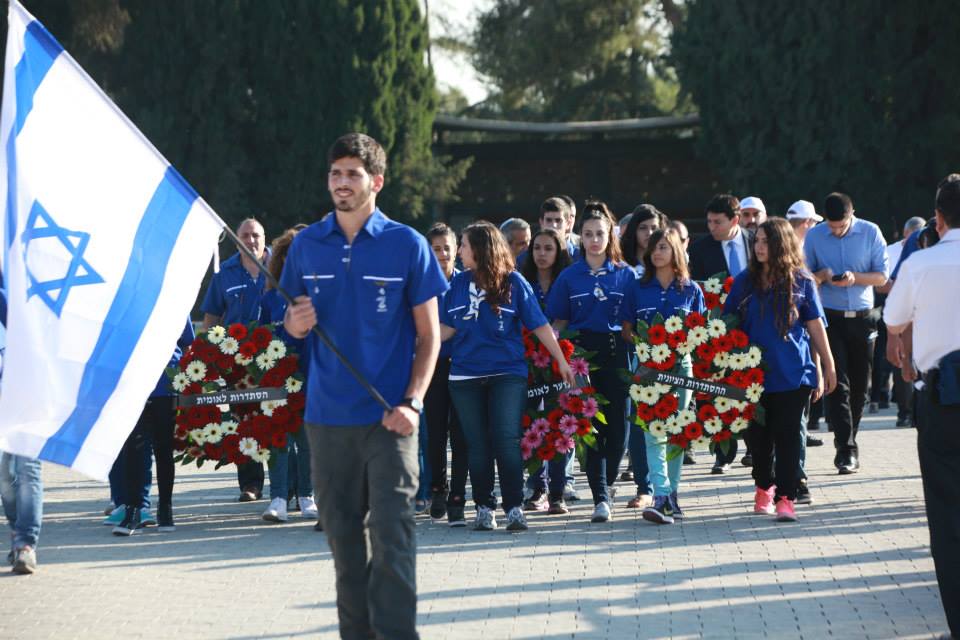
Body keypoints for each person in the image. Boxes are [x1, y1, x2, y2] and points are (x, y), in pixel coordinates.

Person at [282, 133, 448, 639]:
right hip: (327, 419)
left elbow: (429, 336)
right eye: (335, 173)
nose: (341, 182)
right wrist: (294, 324)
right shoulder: (307, 245)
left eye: (352, 174)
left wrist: (413, 403)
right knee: (345, 550)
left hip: (390, 419)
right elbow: (286, 329)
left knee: (394, 538)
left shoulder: (407, 244)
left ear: (375, 181)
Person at [441, 221, 575, 532]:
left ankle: (514, 506)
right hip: (465, 376)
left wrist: (561, 360)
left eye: (463, 245)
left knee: (506, 439)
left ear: (480, 248)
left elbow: (539, 324)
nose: (460, 251)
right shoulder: (458, 284)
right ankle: (484, 508)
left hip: (507, 373)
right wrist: (413, 341)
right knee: (477, 444)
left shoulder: (513, 282)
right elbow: (446, 328)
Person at [884, 173, 960, 639]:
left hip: (944, 396)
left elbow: (893, 320)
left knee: (947, 512)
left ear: (938, 217)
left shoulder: (923, 262)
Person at [725, 219, 837, 522]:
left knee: (789, 438)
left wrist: (827, 364)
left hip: (793, 374)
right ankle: (764, 486)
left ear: (782, 244)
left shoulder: (801, 280)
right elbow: (726, 324)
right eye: (757, 241)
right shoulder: (744, 281)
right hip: (751, 377)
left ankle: (787, 497)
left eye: (766, 242)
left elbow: (815, 325)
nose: (760, 247)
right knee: (759, 441)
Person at [546, 202, 638, 523]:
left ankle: (607, 484)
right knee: (591, 427)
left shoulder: (625, 275)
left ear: (610, 234)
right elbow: (557, 321)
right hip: (584, 356)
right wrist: (556, 354)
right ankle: (600, 497)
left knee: (619, 432)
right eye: (588, 234)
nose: (594, 239)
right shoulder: (569, 276)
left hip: (619, 354)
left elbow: (634, 322)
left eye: (600, 233)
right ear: (580, 237)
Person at [620, 228, 706, 523]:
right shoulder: (636, 286)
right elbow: (627, 329)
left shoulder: (691, 289)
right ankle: (661, 495)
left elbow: (700, 331)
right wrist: (648, 346)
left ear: (676, 252)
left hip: (681, 367)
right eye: (654, 248)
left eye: (663, 247)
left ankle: (672, 497)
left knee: (677, 431)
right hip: (646, 366)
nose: (657, 253)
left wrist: (677, 348)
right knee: (652, 432)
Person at [804, 193, 888, 474]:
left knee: (861, 387)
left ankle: (849, 438)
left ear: (852, 215)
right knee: (836, 382)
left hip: (863, 318)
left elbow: (882, 277)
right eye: (831, 226)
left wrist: (855, 278)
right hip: (830, 318)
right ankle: (846, 449)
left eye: (841, 226)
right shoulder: (815, 237)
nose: (836, 231)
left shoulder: (871, 231)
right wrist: (823, 275)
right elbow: (806, 278)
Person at [201, 218, 268, 502]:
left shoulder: (283, 267)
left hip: (280, 357)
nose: (251, 240)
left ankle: (288, 487)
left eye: (256, 235)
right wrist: (206, 357)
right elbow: (212, 318)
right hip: (237, 361)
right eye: (245, 235)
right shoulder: (224, 274)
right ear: (236, 239)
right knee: (245, 423)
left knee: (282, 421)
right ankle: (250, 484)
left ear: (266, 238)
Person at [688, 194, 754, 473]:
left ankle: (755, 447)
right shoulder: (702, 249)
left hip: (754, 326)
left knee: (752, 385)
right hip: (717, 330)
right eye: (709, 221)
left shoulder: (756, 242)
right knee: (716, 389)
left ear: (735, 220)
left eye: (718, 222)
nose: (712, 227)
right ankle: (722, 453)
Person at [111, 320, 195, 535]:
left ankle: (165, 509)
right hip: (133, 381)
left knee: (164, 448)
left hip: (165, 383)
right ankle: (133, 509)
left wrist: (188, 380)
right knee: (133, 448)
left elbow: (188, 344)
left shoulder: (175, 297)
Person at [259, 225, 317, 524]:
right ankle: (278, 498)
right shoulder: (270, 298)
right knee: (278, 438)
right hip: (278, 380)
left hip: (311, 375)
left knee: (307, 440)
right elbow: (261, 340)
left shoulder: (317, 294)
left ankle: (307, 496)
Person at [520, 228, 575, 512]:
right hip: (528, 359)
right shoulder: (522, 281)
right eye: (537, 248)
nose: (541, 254)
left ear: (559, 252)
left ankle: (558, 490)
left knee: (559, 421)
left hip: (559, 358)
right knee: (532, 422)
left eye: (548, 248)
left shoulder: (566, 280)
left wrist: (551, 338)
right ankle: (536, 487)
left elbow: (566, 315)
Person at [422, 223, 469, 526]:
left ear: (457, 250)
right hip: (433, 365)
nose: (442, 253)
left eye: (447, 248)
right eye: (436, 248)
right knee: (435, 432)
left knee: (462, 433)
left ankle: (458, 496)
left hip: (465, 364)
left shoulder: (467, 283)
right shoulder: (421, 284)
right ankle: (438, 488)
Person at [619, 204, 668, 493]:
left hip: (667, 354)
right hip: (631, 350)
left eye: (654, 227)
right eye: (643, 228)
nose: (649, 233)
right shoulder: (624, 269)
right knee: (639, 421)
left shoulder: (671, 266)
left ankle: (664, 486)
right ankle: (643, 485)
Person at [0, 283, 43, 574]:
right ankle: (17, 531)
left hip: (28, 391)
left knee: (28, 469)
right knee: (5, 474)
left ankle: (26, 543)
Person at [874, 216, 926, 426]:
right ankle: (905, 411)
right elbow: (881, 284)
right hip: (900, 313)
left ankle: (918, 410)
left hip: (924, 314)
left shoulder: (929, 249)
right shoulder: (892, 251)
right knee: (903, 361)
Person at [516, 197, 580, 266]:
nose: (553, 225)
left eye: (558, 220)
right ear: (541, 222)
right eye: (549, 220)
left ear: (568, 224)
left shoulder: (580, 258)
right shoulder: (524, 259)